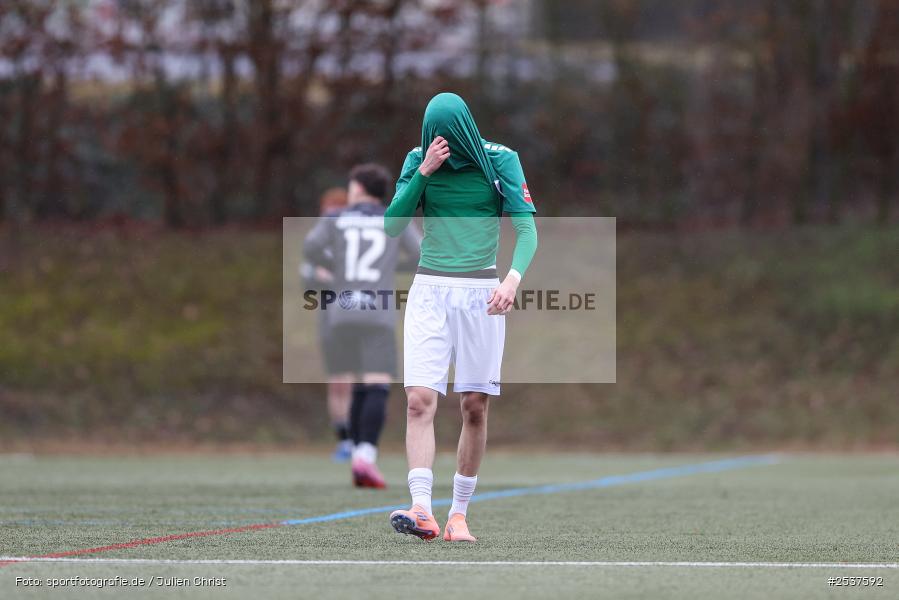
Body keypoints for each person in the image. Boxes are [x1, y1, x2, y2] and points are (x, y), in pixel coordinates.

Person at [383, 93, 538, 542]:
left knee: (473, 405)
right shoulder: (418, 159)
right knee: (418, 400)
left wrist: (511, 280)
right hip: (429, 291)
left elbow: (527, 230)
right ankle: (421, 508)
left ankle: (458, 515)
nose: (441, 142)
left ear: (466, 128)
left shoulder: (501, 160)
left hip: (480, 293)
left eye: (449, 134)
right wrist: (424, 173)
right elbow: (392, 226)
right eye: (433, 134)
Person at [304, 164, 421, 488]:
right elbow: (420, 253)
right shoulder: (393, 219)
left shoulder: (335, 218)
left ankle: (354, 448)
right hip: (375, 311)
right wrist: (391, 267)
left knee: (355, 382)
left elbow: (311, 249)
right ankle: (365, 455)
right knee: (376, 384)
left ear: (356, 188)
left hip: (340, 313)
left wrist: (339, 269)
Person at [301, 188, 353, 462]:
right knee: (337, 381)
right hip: (329, 319)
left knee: (358, 381)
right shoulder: (316, 246)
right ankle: (344, 439)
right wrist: (319, 277)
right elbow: (307, 283)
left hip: (358, 318)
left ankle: (362, 437)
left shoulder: (356, 244)